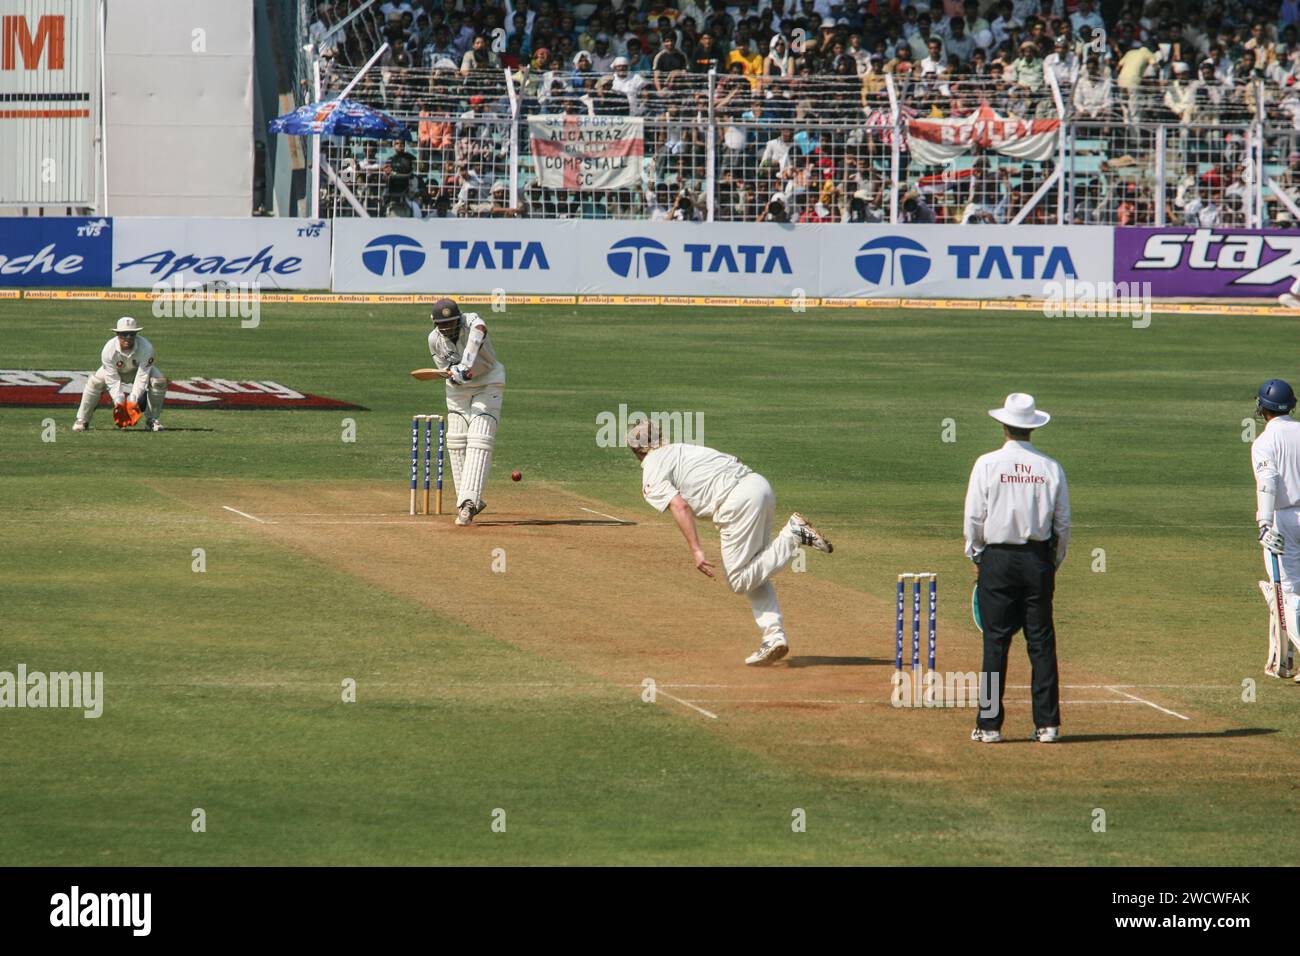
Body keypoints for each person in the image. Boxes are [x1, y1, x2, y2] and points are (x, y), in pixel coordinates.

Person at [626, 420, 833, 666]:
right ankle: (774, 637)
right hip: (759, 486)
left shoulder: (651, 466)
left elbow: (679, 506)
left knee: (738, 580)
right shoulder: (684, 449)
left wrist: (697, 550)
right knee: (755, 568)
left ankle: (793, 535)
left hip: (737, 504)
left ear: (638, 451)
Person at [963, 393, 1070, 743]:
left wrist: (977, 554)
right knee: (1040, 642)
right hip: (1037, 560)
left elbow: (974, 517)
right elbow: (1062, 524)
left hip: (998, 558)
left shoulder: (987, 464)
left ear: (1004, 425)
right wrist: (1051, 562)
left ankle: (989, 725)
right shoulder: (1050, 467)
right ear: (1031, 428)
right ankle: (1048, 725)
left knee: (995, 641)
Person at [426, 298, 506, 526]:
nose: (447, 328)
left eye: (450, 323)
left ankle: (468, 503)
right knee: (456, 440)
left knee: (479, 437)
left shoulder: (470, 321)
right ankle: (470, 498)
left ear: (458, 319)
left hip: (489, 381)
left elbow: (480, 329)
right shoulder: (434, 340)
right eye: (442, 324)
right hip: (457, 391)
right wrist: (454, 373)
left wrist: (466, 365)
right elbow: (446, 370)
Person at [1251, 379, 1300, 679]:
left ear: (1263, 408)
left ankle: (1286, 659)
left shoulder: (1265, 442)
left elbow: (1268, 481)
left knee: (1290, 594)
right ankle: (1283, 661)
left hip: (1284, 519)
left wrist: (1264, 523)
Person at [73, 317, 167, 433]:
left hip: (137, 372)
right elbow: (112, 379)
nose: (128, 337)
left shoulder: (146, 348)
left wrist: (133, 399)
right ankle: (82, 420)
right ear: (117, 334)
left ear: (136, 334)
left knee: (159, 382)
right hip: (117, 372)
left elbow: (142, 376)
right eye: (124, 334)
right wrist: (119, 401)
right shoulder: (108, 350)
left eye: (131, 334)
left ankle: (152, 420)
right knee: (95, 382)